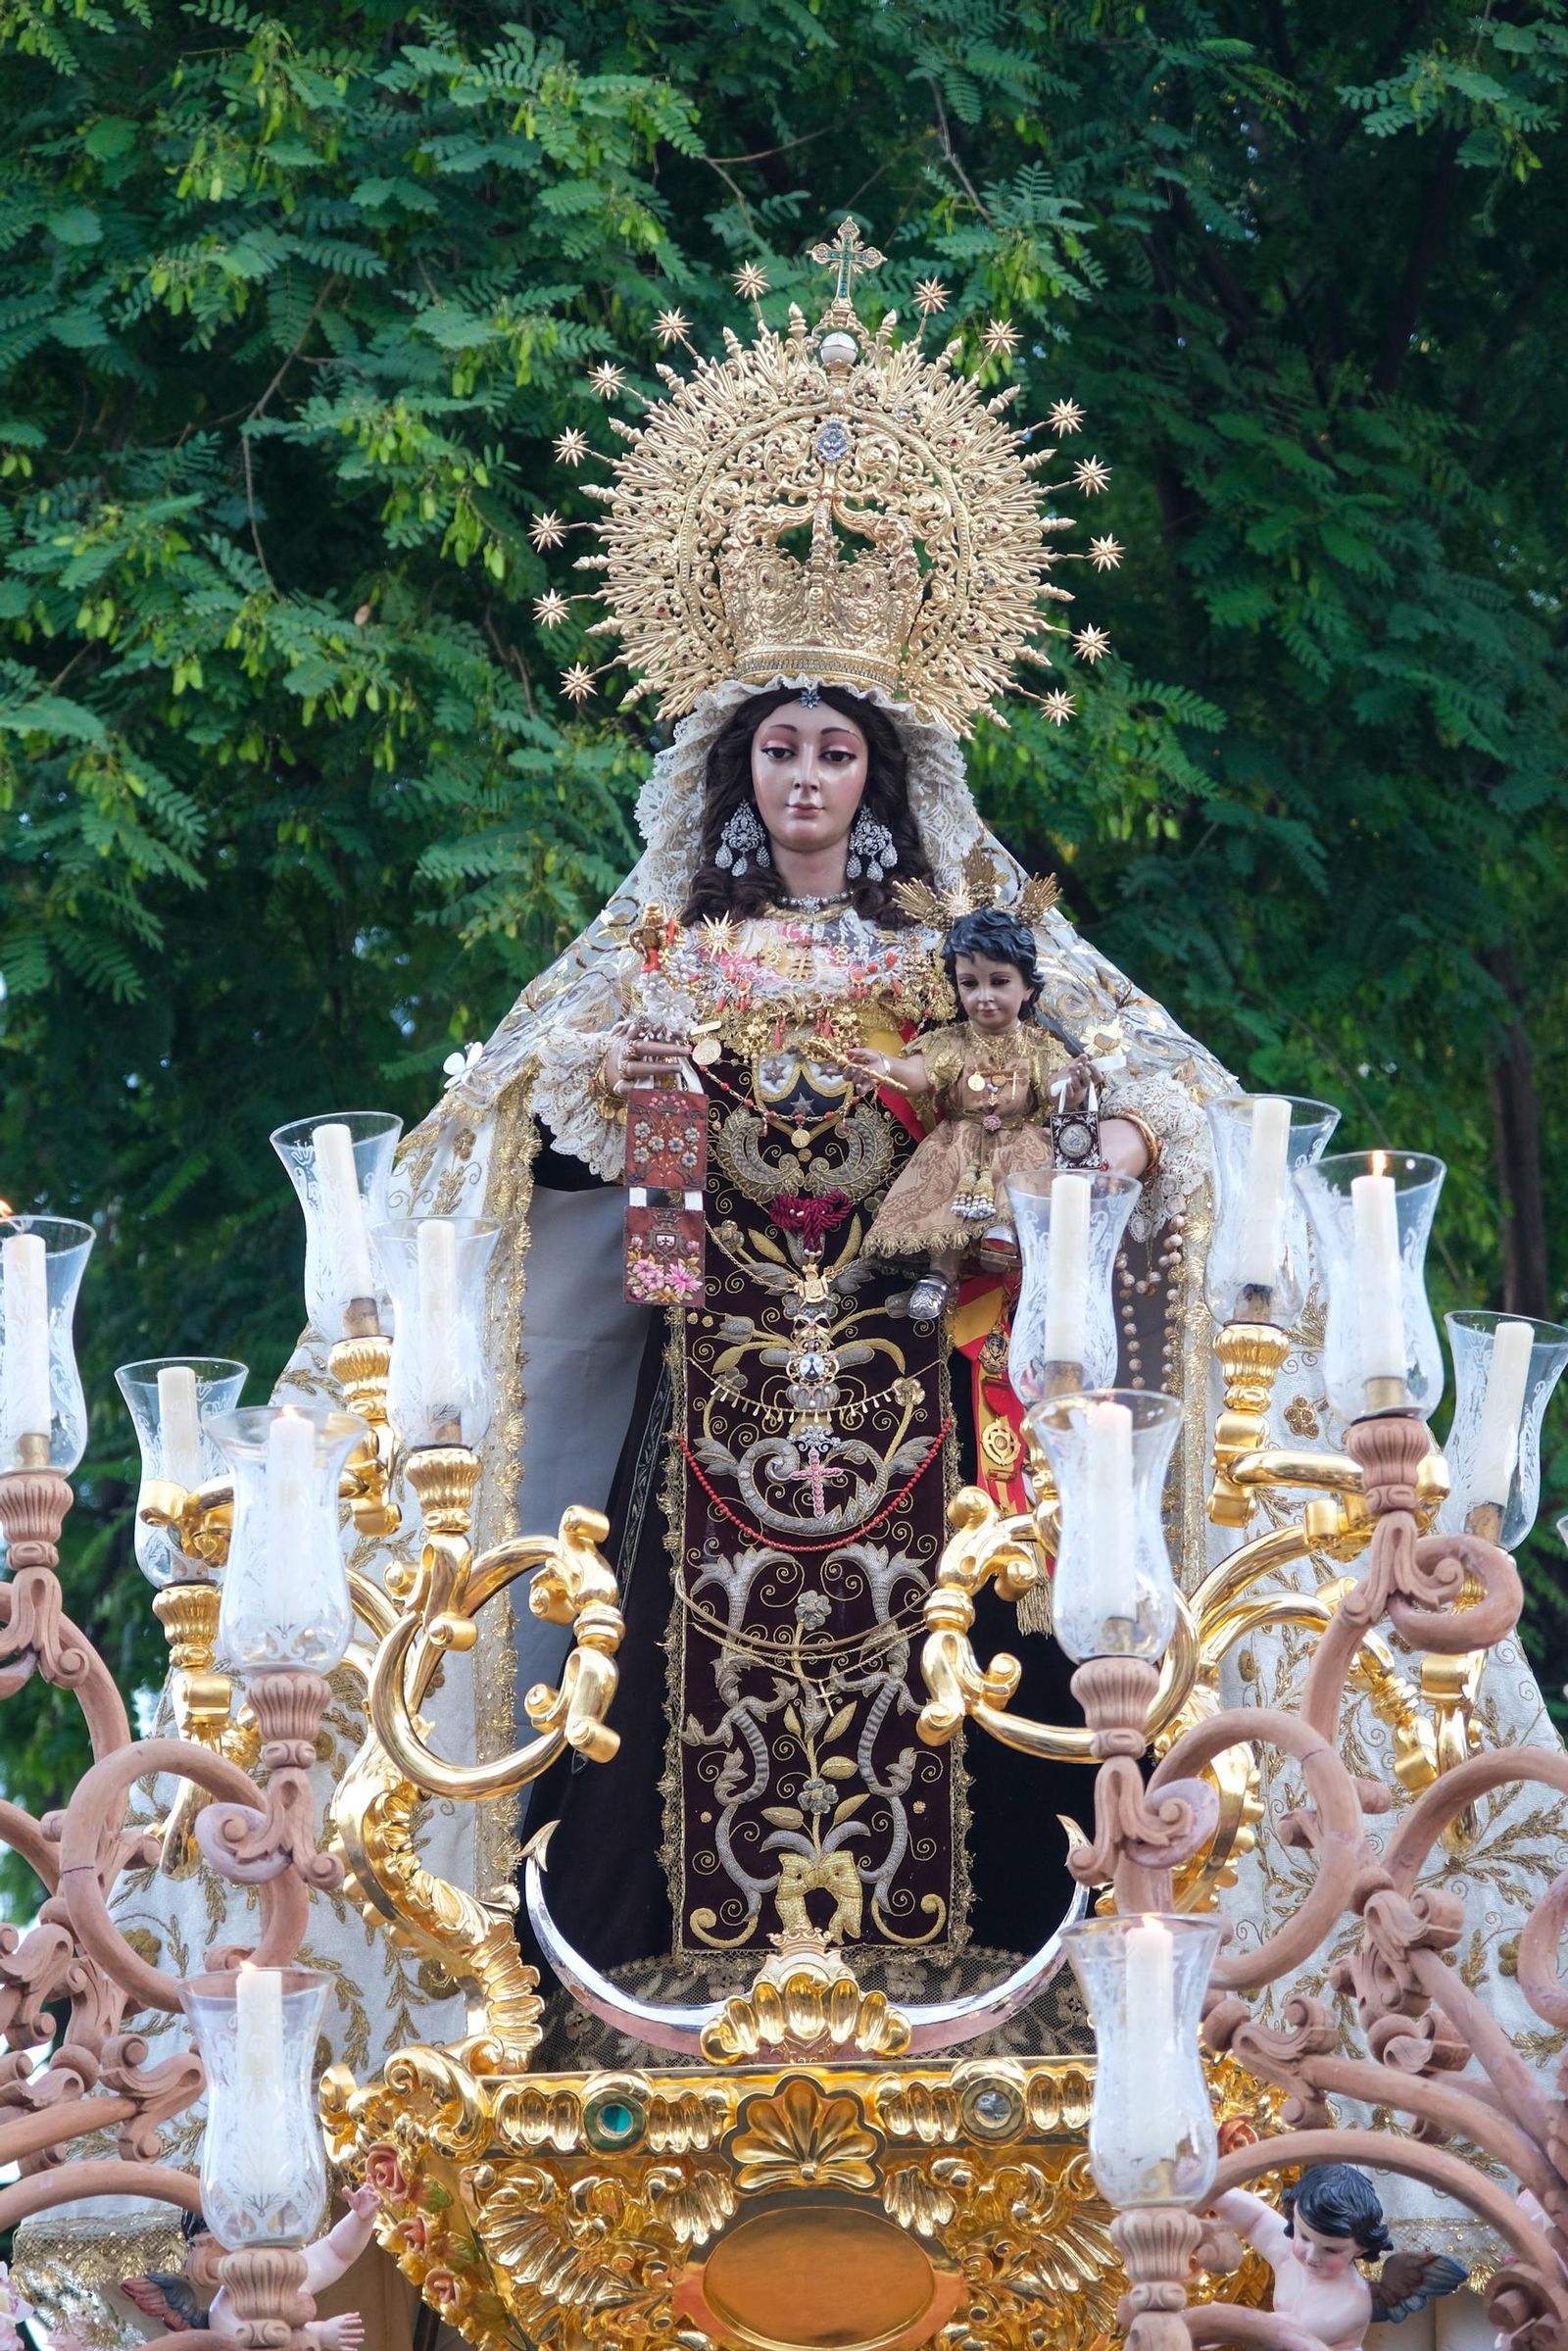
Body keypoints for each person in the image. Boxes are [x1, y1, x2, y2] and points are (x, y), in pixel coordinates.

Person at [846, 904, 1142, 1318]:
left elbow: (1055, 1087)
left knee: (1025, 1169)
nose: (983, 997)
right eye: (970, 984)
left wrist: (1072, 1085)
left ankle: (1005, 1237)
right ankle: (940, 1274)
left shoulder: (1039, 1046)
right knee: (944, 1189)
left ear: (1028, 988)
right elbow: (918, 1075)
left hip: (1020, 1138)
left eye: (999, 982)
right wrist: (885, 1066)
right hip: (959, 1140)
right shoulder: (951, 1043)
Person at [1212, 2165, 1465, 2351]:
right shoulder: (1290, 2252)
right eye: (1305, 2237)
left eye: (1331, 2250)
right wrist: (1206, 2188)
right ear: (1294, 2217)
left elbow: (1287, 2331)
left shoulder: (1351, 2300)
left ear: (1360, 2249)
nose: (1312, 2256)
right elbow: (1254, 2219)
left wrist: (1221, 2323)